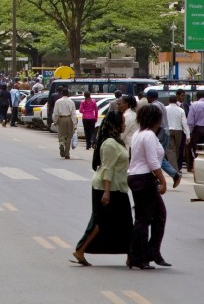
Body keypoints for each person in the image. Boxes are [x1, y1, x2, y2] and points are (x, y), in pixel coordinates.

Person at [71, 110, 132, 266]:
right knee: (100, 222)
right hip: (107, 189)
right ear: (116, 124)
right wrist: (106, 192)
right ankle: (80, 250)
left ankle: (131, 255)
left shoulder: (117, 141)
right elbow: (107, 168)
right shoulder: (110, 143)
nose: (125, 124)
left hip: (118, 187)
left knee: (124, 223)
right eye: (123, 122)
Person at [127, 104, 169, 270]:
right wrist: (163, 181)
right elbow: (152, 162)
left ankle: (149, 253)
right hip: (144, 178)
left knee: (154, 216)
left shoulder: (138, 134)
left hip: (136, 176)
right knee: (146, 219)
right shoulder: (149, 135)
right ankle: (141, 256)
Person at [164, 95, 190, 172]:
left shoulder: (165, 109)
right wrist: (188, 135)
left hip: (168, 130)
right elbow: (184, 123)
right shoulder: (181, 110)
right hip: (178, 131)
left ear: (169, 100)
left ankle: (174, 168)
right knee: (177, 149)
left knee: (170, 149)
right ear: (176, 101)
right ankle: (176, 167)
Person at [54, 88, 77, 159]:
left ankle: (61, 144)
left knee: (61, 135)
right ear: (68, 94)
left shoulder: (58, 101)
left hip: (61, 119)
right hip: (69, 119)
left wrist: (55, 121)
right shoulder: (71, 102)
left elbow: (55, 113)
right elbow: (73, 113)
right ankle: (67, 153)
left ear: (62, 94)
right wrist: (75, 123)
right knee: (69, 135)